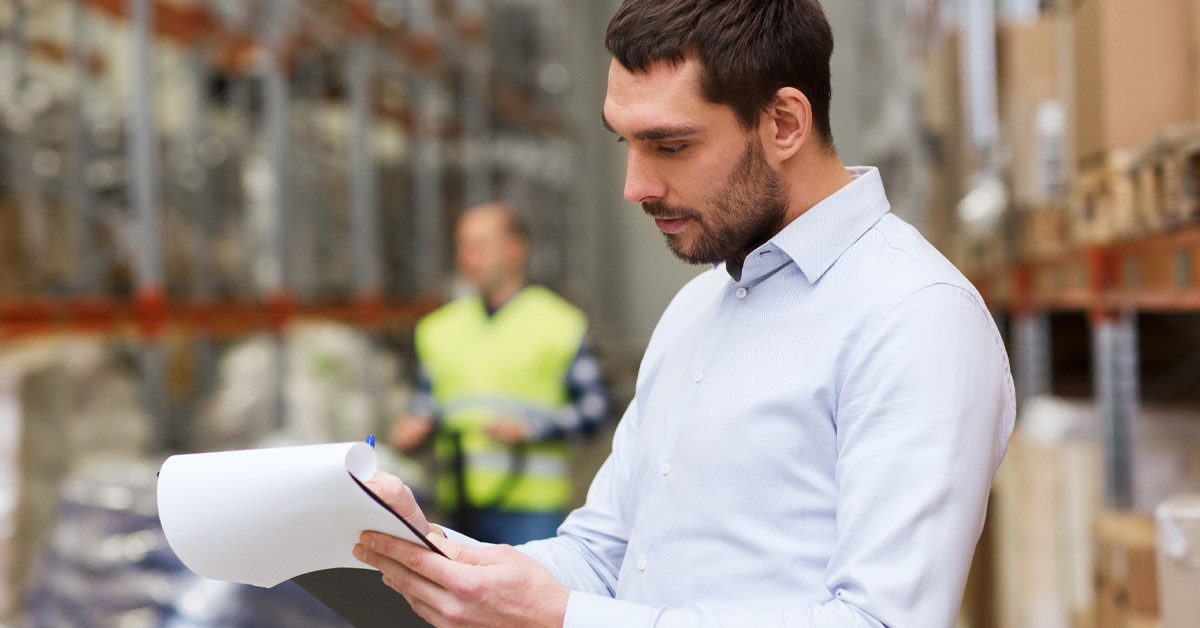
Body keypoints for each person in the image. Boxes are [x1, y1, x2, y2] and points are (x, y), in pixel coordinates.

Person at [356, 1, 1016, 626]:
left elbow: (880, 620)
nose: (635, 187)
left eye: (669, 146)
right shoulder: (697, 309)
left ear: (784, 123)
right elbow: (603, 555)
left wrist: (562, 618)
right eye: (626, 144)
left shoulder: (915, 318)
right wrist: (434, 555)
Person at [389, 202, 609, 546]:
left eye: (479, 246)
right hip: (456, 505)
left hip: (530, 510)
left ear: (515, 249)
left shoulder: (559, 324)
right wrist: (416, 425)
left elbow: (595, 412)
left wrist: (531, 427)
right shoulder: (439, 328)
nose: (467, 258)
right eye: (462, 246)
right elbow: (428, 402)